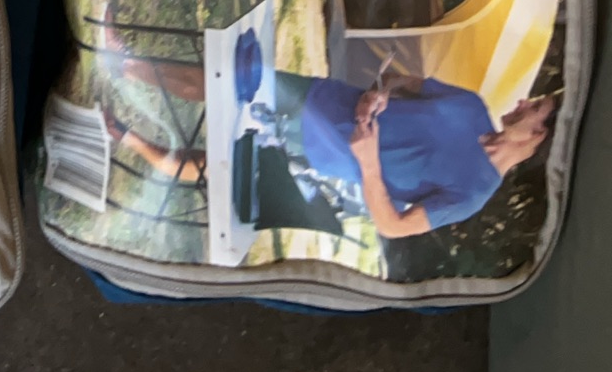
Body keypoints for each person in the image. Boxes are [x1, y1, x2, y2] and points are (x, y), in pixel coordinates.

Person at [96, 32, 556, 241]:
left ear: (536, 135)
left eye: (533, 107)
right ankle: (126, 66)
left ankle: (125, 136)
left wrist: (369, 164)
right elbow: (402, 81)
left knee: (215, 163)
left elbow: (393, 227)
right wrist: (379, 93)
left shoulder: (473, 193)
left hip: (315, 154)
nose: (521, 102)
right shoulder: (472, 107)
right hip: (320, 98)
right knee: (222, 82)